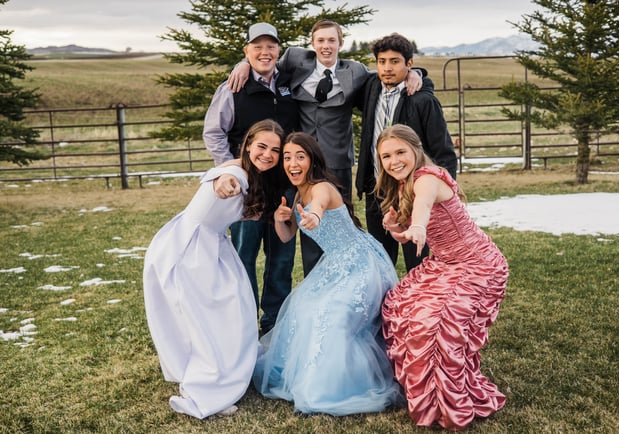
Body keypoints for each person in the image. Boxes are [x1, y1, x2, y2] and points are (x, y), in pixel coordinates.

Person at [228, 20, 424, 276]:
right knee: (310, 225)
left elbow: (387, 74)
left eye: (332, 40)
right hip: (303, 161)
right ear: (312, 44)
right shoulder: (296, 60)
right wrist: (242, 64)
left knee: (340, 225)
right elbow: (263, 64)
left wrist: (416, 73)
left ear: (340, 43)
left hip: (338, 159)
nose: (326, 46)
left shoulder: (354, 71)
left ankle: (344, 277)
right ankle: (314, 280)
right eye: (320, 40)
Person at [143, 120, 289, 419]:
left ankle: (230, 369)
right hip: (190, 251)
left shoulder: (253, 174)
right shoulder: (233, 173)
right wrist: (223, 182)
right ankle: (206, 388)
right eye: (261, 146)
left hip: (212, 245)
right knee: (208, 318)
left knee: (236, 311)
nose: (268, 154)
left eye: (275, 150)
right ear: (248, 144)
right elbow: (222, 180)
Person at [253, 132, 404, 415]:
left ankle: (330, 387)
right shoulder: (298, 194)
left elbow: (319, 208)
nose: (292, 163)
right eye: (287, 157)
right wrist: (279, 221)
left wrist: (314, 216)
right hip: (334, 264)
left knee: (331, 315)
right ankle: (303, 374)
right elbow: (286, 237)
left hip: (361, 263)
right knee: (303, 309)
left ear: (312, 160)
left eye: (300, 156)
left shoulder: (321, 188)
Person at [375, 124, 508, 431]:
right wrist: (397, 227)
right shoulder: (403, 184)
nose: (394, 161)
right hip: (446, 263)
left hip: (479, 265)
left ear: (415, 150)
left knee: (434, 324)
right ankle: (419, 389)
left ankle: (448, 402)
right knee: (399, 303)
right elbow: (405, 235)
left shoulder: (427, 178)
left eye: (400, 152)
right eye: (386, 156)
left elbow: (422, 207)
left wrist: (418, 226)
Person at [203, 22, 300, 334]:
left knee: (282, 258)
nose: (264, 52)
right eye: (256, 47)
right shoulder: (233, 87)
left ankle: (274, 323)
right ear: (246, 51)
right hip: (247, 189)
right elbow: (214, 132)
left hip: (284, 184)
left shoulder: (290, 84)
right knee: (244, 255)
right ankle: (244, 322)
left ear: (278, 51)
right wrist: (232, 167)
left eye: (270, 46)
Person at [356, 33, 458, 273]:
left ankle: (422, 308)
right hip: (377, 190)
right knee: (382, 261)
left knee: (417, 260)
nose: (387, 68)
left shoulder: (423, 100)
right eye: (382, 61)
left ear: (408, 64)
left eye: (394, 61)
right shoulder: (371, 88)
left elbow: (443, 152)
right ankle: (384, 309)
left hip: (412, 192)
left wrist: (446, 195)